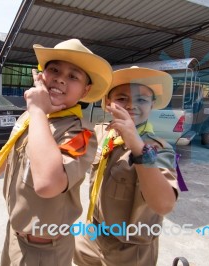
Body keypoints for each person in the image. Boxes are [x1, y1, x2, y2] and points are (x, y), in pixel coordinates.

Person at [0, 39, 113, 266]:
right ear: (40, 76)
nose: (59, 78)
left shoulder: (80, 133)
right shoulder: (30, 118)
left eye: (73, 76)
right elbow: (6, 159)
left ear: (85, 90)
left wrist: (37, 109)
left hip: (45, 250)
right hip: (15, 235)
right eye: (54, 70)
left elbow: (48, 184)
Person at [73, 66, 179, 266]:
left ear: (152, 105)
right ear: (108, 103)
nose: (131, 105)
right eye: (122, 98)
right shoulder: (102, 132)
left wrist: (138, 147)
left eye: (141, 99)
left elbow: (164, 205)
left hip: (129, 248)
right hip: (91, 234)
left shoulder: (159, 149)